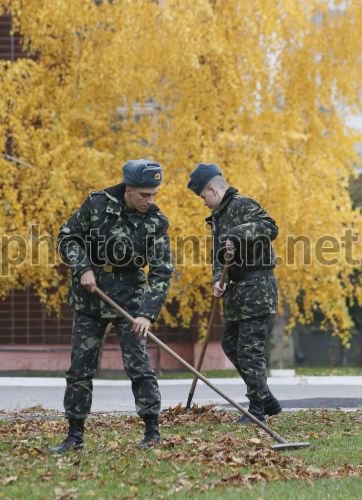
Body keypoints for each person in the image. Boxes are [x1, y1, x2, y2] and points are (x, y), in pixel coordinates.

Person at [51, 159, 174, 453]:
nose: (150, 200)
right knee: (80, 367)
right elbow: (67, 237)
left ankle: (152, 431)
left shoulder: (156, 222)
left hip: (130, 299)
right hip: (92, 298)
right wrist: (83, 268)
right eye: (145, 194)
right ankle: (74, 435)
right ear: (128, 189)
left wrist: (146, 313)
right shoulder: (96, 204)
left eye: (154, 194)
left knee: (138, 365)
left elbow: (161, 270)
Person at [187, 163, 281, 424]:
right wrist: (218, 279)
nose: (204, 203)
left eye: (203, 196)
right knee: (230, 345)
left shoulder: (243, 204)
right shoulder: (218, 216)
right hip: (236, 291)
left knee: (250, 350)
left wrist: (236, 234)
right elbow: (219, 256)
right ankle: (265, 397)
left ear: (213, 189)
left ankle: (257, 409)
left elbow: (271, 227)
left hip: (257, 289)